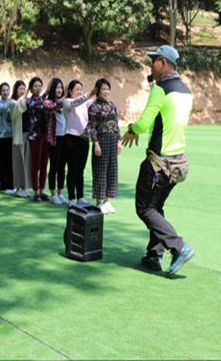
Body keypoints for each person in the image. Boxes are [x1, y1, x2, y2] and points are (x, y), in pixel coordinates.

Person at [122, 45, 194, 276]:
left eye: (153, 61)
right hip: (177, 163)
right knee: (156, 206)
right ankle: (154, 255)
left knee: (144, 208)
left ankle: (179, 247)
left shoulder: (160, 89)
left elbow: (143, 123)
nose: (150, 65)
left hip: (158, 162)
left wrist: (132, 128)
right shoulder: (185, 90)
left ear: (163, 63)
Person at [87, 78, 121, 214]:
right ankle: (99, 201)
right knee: (100, 171)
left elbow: (116, 124)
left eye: (108, 89)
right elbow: (91, 127)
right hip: (100, 141)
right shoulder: (94, 107)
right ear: (98, 91)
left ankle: (106, 201)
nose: (106, 91)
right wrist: (95, 144)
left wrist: (119, 141)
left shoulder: (112, 105)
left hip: (112, 140)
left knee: (111, 171)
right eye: (103, 89)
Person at [63, 80, 96, 206]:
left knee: (80, 170)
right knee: (72, 169)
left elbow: (94, 101)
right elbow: (77, 102)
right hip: (71, 139)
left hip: (84, 139)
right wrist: (89, 94)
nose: (79, 91)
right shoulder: (67, 102)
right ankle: (72, 198)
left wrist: (98, 91)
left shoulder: (85, 102)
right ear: (70, 91)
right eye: (77, 89)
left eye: (81, 89)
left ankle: (80, 196)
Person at [43, 78, 68, 205]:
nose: (59, 90)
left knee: (62, 166)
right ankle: (53, 194)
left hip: (65, 137)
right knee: (54, 166)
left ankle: (60, 193)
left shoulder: (65, 102)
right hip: (54, 139)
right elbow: (52, 107)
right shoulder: (47, 101)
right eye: (57, 87)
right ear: (53, 89)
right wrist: (63, 98)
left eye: (61, 87)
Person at [26, 77, 50, 202]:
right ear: (30, 88)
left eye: (40, 85)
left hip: (45, 135)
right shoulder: (29, 101)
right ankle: (35, 192)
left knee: (44, 165)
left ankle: (42, 190)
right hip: (34, 136)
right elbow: (37, 103)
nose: (38, 88)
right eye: (35, 86)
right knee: (36, 165)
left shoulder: (46, 101)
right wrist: (47, 90)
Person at [9, 80, 31, 198]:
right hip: (18, 135)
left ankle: (24, 187)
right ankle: (18, 187)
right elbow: (19, 108)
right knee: (18, 162)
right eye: (20, 89)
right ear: (16, 90)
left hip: (28, 134)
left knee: (26, 161)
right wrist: (26, 94)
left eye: (24, 89)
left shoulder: (26, 101)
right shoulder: (13, 102)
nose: (22, 91)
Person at [0, 82, 14, 192]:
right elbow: (3, 109)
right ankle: (1, 183)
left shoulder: (12, 102)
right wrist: (14, 103)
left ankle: (10, 184)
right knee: (1, 161)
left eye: (7, 90)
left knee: (10, 161)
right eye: (3, 90)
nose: (5, 92)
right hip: (1, 136)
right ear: (0, 92)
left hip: (11, 135)